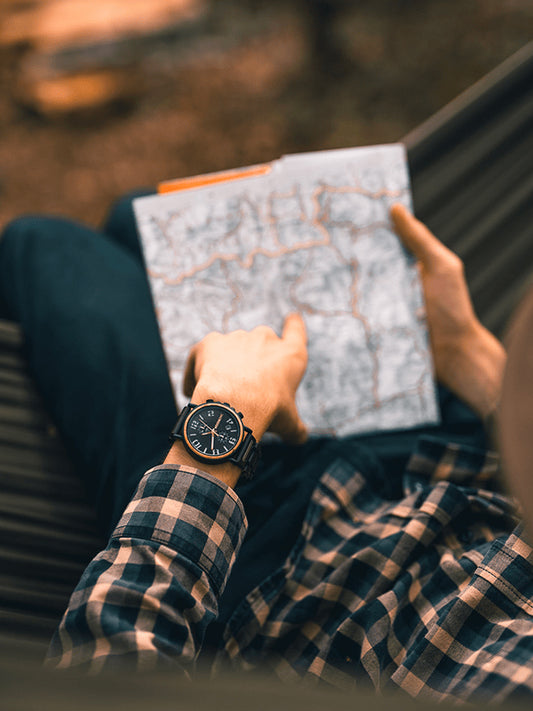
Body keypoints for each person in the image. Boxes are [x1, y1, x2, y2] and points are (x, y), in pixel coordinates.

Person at [0, 196, 531, 703]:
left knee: (44, 243)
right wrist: (477, 361)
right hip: (449, 467)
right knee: (144, 218)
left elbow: (105, 691)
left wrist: (218, 430)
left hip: (272, 574)